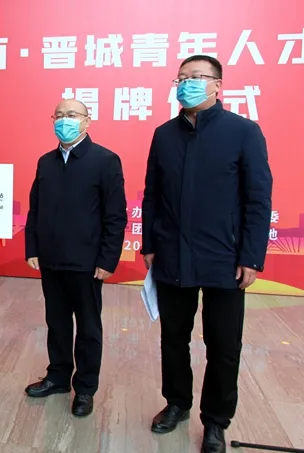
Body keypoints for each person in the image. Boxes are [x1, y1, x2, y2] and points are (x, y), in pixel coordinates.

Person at [142, 55, 273, 453]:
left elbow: (257, 199)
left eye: (196, 77)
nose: (187, 83)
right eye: (181, 78)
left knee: (224, 345)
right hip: (172, 256)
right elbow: (152, 195)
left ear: (218, 85)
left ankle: (216, 421)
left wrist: (251, 256)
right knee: (173, 338)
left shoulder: (244, 132)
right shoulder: (164, 134)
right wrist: (150, 244)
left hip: (225, 259)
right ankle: (176, 403)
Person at [24, 99, 127, 417]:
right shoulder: (46, 162)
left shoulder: (105, 160)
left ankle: (85, 388)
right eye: (59, 115)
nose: (64, 120)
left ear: (87, 121)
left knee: (88, 327)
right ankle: (57, 377)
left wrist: (107, 259)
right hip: (51, 259)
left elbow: (115, 215)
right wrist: (32, 248)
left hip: (87, 262)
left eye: (71, 115)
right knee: (56, 322)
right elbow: (35, 209)